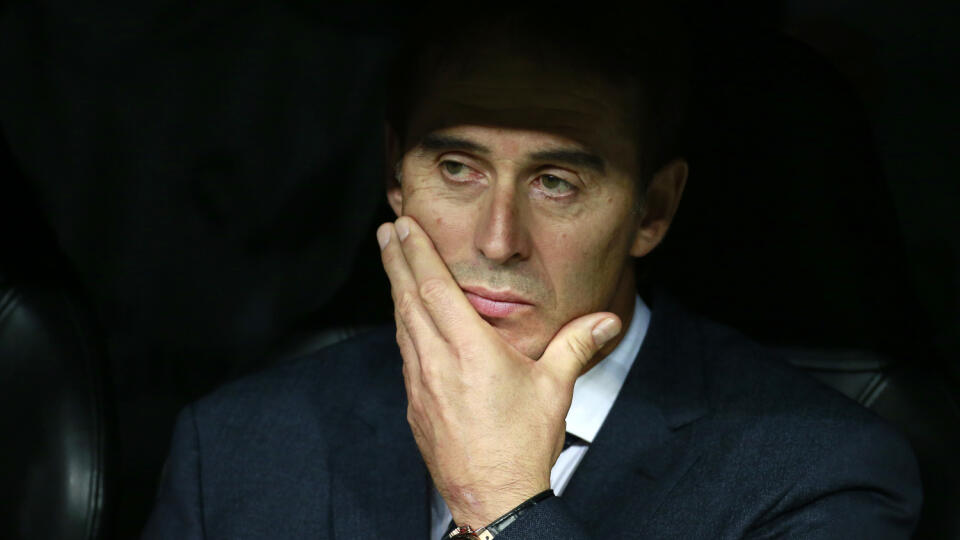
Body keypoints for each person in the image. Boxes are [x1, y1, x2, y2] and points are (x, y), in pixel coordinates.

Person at [143, 7, 921, 539]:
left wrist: (505, 504)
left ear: (653, 209)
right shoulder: (238, 445)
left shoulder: (820, 473)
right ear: (394, 177)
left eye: (557, 182)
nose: (499, 238)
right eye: (457, 167)